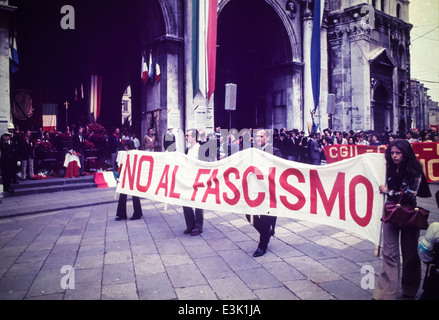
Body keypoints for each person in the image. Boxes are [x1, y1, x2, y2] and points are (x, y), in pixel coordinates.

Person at [373, 139, 431, 300]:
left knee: (410, 253)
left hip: (409, 214)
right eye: (392, 153)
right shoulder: (387, 167)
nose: (394, 156)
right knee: (389, 253)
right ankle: (385, 293)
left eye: (398, 153)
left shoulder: (415, 170)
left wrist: (388, 191)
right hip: (390, 213)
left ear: (406, 153)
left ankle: (410, 288)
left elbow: (410, 194)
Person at [246, 128, 281, 257]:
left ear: (267, 138)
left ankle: (262, 246)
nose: (257, 139)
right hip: (255, 191)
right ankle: (268, 232)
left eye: (260, 136)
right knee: (249, 215)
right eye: (256, 136)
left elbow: (277, 172)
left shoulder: (275, 152)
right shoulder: (253, 153)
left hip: (268, 192)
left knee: (266, 218)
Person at [183, 129, 204, 236]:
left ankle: (198, 227)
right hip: (188, 178)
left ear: (194, 137)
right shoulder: (188, 150)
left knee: (197, 202)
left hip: (198, 179)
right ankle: (190, 225)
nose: (186, 137)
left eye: (188, 135)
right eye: (186, 135)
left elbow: (204, 165)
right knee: (185, 201)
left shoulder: (200, 149)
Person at [115, 140, 143, 221]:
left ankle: (122, 214)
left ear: (126, 146)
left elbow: (121, 166)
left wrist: (119, 177)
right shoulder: (136, 154)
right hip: (132, 176)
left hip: (128, 176)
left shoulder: (125, 155)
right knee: (133, 195)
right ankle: (136, 213)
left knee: (125, 195)